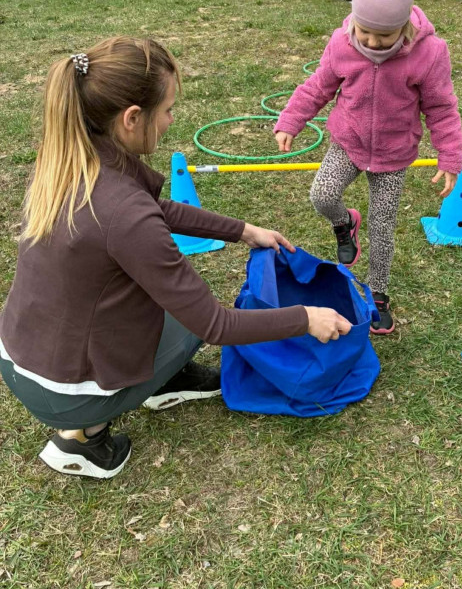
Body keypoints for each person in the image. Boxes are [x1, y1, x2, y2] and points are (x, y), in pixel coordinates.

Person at [0, 36, 351, 480]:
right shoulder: (124, 215)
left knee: (163, 308)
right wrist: (305, 317)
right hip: (61, 391)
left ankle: (159, 383)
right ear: (131, 119)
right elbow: (216, 326)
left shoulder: (69, 160)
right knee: (187, 321)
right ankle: (81, 440)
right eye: (166, 110)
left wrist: (242, 230)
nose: (170, 120)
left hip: (20, 355)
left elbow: (154, 211)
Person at [274, 0, 462, 335]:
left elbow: (442, 108)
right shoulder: (342, 44)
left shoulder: (429, 54)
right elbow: (317, 87)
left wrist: (451, 156)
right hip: (349, 142)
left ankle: (378, 293)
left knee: (383, 229)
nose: (373, 43)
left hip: (395, 154)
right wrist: (291, 120)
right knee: (321, 195)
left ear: (406, 24)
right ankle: (345, 224)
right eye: (365, 32)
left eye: (384, 36)